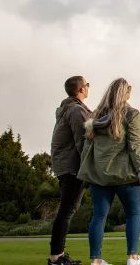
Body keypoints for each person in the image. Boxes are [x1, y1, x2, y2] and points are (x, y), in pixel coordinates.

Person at [78, 78, 140, 265]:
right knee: (133, 214)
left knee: (99, 216)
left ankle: (96, 261)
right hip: (125, 175)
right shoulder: (131, 114)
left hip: (99, 176)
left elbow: (87, 147)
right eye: (129, 91)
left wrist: (85, 172)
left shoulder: (95, 116)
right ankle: (133, 258)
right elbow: (135, 145)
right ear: (125, 93)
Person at [49, 76, 93, 265]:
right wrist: (90, 169)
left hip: (64, 166)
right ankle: (56, 257)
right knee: (67, 211)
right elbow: (82, 141)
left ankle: (58, 255)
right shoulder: (76, 110)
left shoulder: (66, 109)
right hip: (71, 167)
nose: (88, 87)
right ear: (81, 90)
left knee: (66, 211)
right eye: (87, 85)